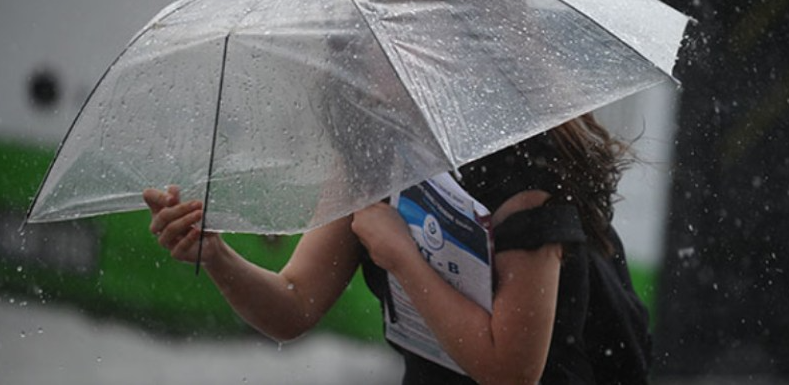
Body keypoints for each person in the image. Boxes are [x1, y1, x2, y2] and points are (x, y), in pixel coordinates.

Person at [144, 113, 652, 384]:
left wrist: (402, 257)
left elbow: (509, 373)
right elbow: (293, 304)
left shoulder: (525, 179)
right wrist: (215, 255)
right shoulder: (373, 155)